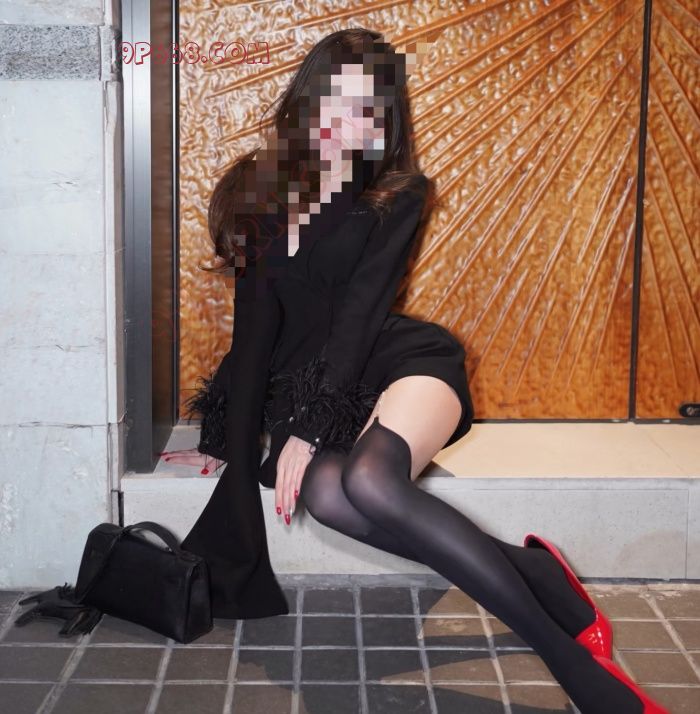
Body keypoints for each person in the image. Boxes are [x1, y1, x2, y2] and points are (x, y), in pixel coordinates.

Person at [174, 28, 667, 714]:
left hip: (401, 361)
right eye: (335, 99)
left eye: (366, 108)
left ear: (383, 121)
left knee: (370, 481)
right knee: (329, 497)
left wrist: (310, 428)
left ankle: (577, 671)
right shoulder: (257, 185)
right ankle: (533, 569)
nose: (347, 121)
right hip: (316, 381)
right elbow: (255, 329)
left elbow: (360, 315)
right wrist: (230, 434)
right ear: (307, 98)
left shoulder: (397, 194)